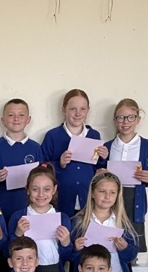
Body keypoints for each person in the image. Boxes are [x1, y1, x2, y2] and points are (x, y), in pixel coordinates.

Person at [97, 98, 148, 253]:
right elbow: (98, 174)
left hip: (134, 199)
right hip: (111, 198)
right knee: (110, 238)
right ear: (114, 121)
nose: (126, 122)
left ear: (138, 119)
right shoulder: (108, 146)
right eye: (121, 118)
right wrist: (101, 171)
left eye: (131, 117)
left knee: (130, 243)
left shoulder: (147, 146)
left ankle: (130, 264)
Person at [41, 89, 109, 217]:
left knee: (84, 229)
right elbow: (42, 168)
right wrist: (59, 164)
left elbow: (98, 169)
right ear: (63, 110)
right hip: (61, 198)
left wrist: (103, 158)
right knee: (62, 228)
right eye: (72, 109)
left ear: (88, 110)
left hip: (87, 198)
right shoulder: (53, 136)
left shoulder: (94, 135)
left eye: (83, 109)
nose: (78, 113)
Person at [7, 163, 72, 272]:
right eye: (35, 189)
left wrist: (66, 243)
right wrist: (17, 234)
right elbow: (7, 252)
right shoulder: (18, 217)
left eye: (46, 189)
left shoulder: (62, 218)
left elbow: (67, 257)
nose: (41, 194)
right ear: (27, 190)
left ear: (54, 189)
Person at [70, 171, 138, 272]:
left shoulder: (123, 223)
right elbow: (68, 256)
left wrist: (125, 248)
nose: (107, 196)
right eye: (102, 191)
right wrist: (75, 249)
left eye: (112, 192)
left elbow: (131, 255)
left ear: (118, 195)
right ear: (92, 193)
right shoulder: (79, 222)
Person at [0, 98, 45, 219]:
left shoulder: (35, 148)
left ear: (28, 120)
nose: (16, 119)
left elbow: (44, 177)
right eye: (11, 115)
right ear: (3, 120)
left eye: (21, 115)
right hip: (3, 207)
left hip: (30, 209)